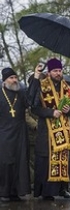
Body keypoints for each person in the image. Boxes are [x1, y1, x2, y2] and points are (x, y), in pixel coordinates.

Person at [30, 58, 70, 200]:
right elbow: (34, 107)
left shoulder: (67, 88)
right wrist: (51, 112)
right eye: (55, 71)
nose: (58, 73)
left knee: (63, 160)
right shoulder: (42, 86)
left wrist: (69, 110)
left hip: (63, 130)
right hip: (47, 131)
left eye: (59, 70)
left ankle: (62, 188)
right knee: (46, 160)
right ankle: (46, 192)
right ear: (49, 72)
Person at [0, 68, 33, 202]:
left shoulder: (21, 93)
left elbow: (29, 103)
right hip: (4, 132)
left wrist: (35, 79)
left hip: (20, 132)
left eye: (16, 77)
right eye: (11, 78)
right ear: (5, 80)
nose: (14, 80)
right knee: (6, 162)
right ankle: (4, 192)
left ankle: (17, 191)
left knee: (20, 162)